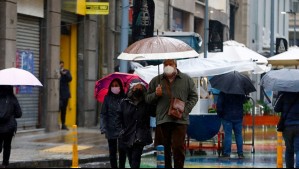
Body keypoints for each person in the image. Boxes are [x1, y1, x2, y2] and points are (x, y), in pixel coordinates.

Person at [146, 59, 198, 168]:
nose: (168, 66)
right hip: (163, 119)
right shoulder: (156, 80)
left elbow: (194, 96)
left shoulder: (186, 79)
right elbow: (147, 99)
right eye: (166, 64)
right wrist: (156, 94)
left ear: (175, 65)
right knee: (165, 148)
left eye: (170, 64)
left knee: (178, 147)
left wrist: (185, 109)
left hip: (180, 119)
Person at [117, 80, 154, 168]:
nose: (138, 89)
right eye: (136, 88)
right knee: (130, 159)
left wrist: (154, 98)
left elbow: (154, 113)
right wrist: (121, 131)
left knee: (135, 160)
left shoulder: (146, 103)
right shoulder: (124, 103)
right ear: (132, 89)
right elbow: (118, 118)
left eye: (140, 88)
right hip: (127, 135)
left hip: (140, 136)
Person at [100, 78, 127, 168]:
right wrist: (103, 127)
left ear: (120, 87)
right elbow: (103, 114)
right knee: (112, 152)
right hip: (110, 128)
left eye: (116, 85)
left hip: (122, 129)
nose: (114, 87)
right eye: (113, 86)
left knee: (122, 150)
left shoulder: (124, 98)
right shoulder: (107, 98)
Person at [216, 92, 247, 159]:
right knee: (239, 135)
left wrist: (220, 114)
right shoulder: (239, 91)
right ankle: (240, 154)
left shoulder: (223, 91)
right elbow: (244, 101)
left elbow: (219, 105)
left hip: (227, 117)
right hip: (238, 117)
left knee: (228, 135)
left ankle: (227, 154)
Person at [274, 92, 299, 168]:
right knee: (298, 149)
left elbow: (276, 108)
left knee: (289, 149)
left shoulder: (283, 93)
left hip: (287, 126)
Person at [0, 85, 22, 168]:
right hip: (9, 128)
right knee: (7, 146)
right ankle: (5, 164)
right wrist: (11, 114)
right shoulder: (13, 98)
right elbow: (19, 114)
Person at [59, 61, 72, 130]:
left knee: (63, 110)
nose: (61, 66)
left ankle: (63, 124)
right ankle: (57, 124)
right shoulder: (56, 72)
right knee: (58, 109)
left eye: (62, 65)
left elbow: (70, 79)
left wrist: (64, 74)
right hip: (58, 95)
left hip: (65, 95)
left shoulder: (66, 72)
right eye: (60, 65)